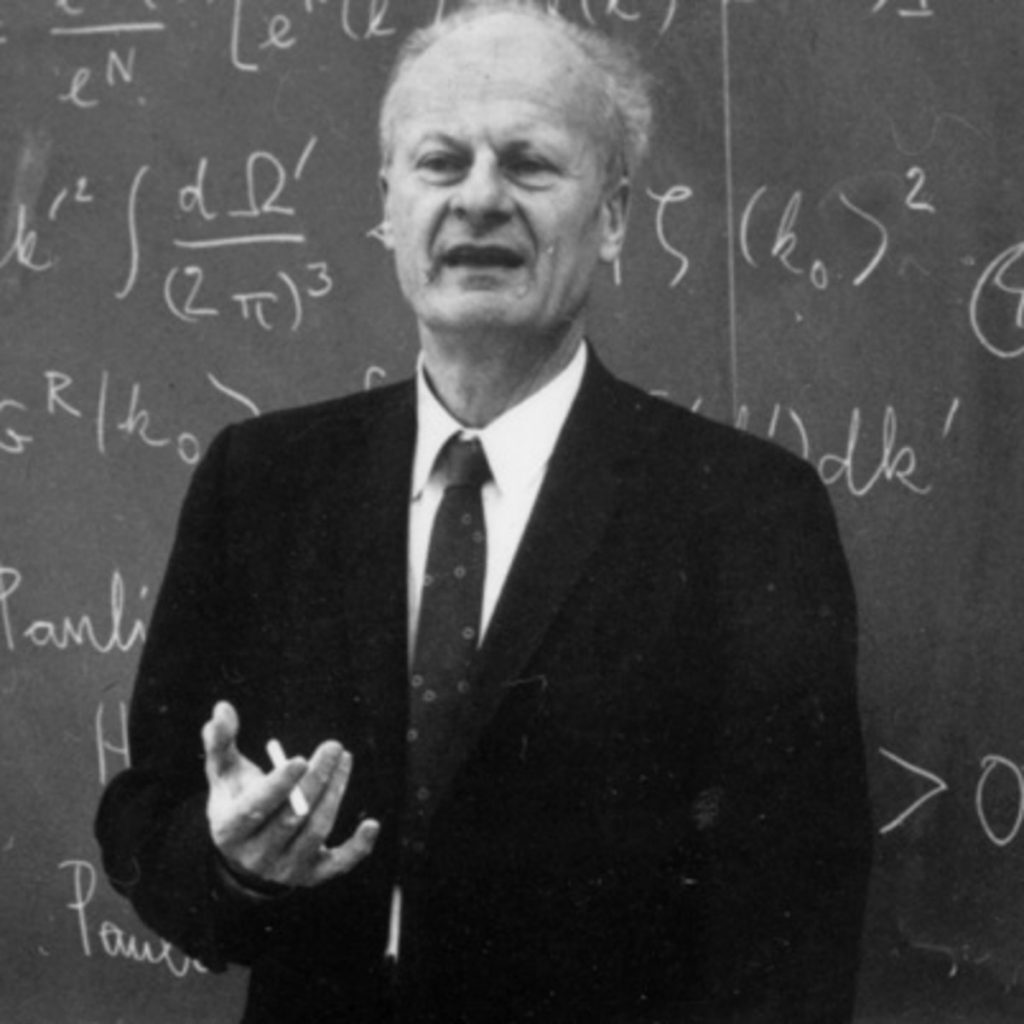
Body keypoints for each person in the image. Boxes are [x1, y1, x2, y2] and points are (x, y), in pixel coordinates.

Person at [95, 2, 873, 1021]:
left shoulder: (748, 512)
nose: (479, 199)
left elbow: (795, 916)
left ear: (614, 214)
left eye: (529, 163)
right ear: (388, 205)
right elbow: (148, 813)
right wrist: (236, 867)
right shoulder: (262, 482)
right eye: (440, 161)